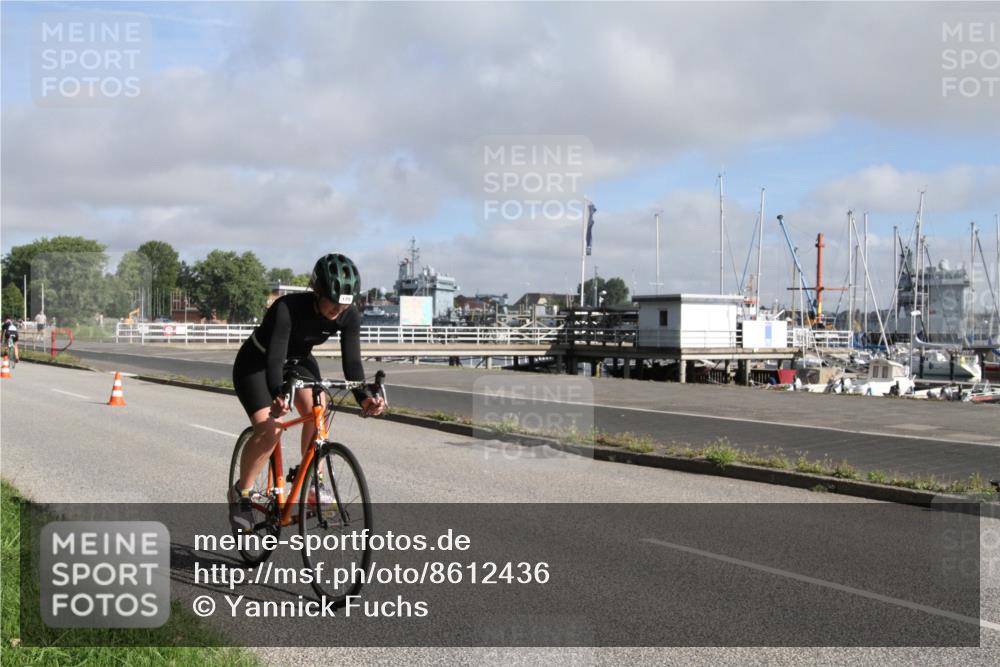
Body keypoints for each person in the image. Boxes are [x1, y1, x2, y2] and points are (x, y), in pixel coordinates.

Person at [228, 253, 385, 530]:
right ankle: (241, 494)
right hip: (257, 363)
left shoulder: (348, 315)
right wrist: (278, 394)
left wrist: (364, 397)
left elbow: (352, 363)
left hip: (298, 361)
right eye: (333, 301)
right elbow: (275, 359)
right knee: (271, 430)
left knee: (319, 408)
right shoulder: (286, 308)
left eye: (344, 304)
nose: (338, 309)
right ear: (317, 292)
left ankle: (314, 483)